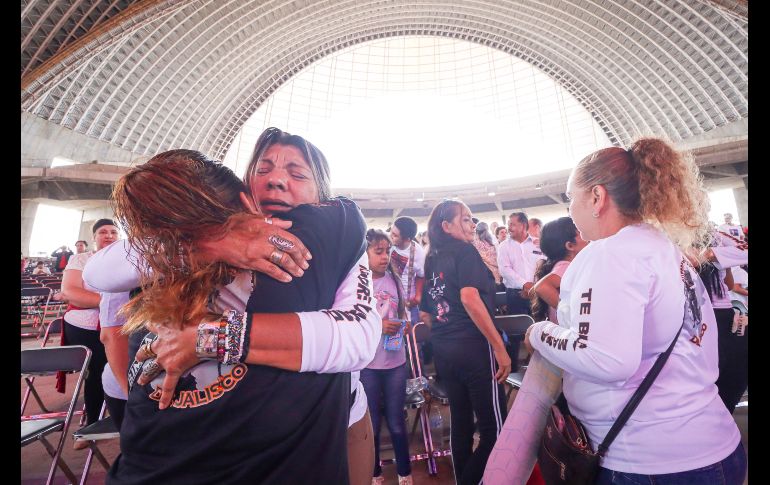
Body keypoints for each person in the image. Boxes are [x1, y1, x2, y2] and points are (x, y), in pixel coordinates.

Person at [93, 139, 378, 484]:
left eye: (297, 173)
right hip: (216, 437)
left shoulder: (335, 239)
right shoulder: (185, 238)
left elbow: (359, 338)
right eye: (264, 169)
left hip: (335, 416)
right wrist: (215, 243)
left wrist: (205, 339)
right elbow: (100, 272)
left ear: (322, 193)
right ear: (245, 190)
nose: (276, 180)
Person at [504, 139, 744, 484]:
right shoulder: (662, 247)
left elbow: (608, 360)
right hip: (710, 444)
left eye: (572, 197)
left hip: (649, 461)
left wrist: (539, 333)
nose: (571, 209)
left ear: (597, 197)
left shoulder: (610, 254)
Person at [419, 199, 511, 485]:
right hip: (473, 347)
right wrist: (499, 347)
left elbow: (426, 312)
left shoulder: (432, 258)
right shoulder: (464, 252)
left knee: (460, 423)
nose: (472, 224)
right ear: (446, 226)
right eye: (466, 219)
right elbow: (470, 298)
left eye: (472, 219)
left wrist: (447, 333)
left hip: (445, 350)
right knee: (494, 429)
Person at [58, 219, 119, 449]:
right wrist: (111, 303)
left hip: (121, 323)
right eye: (103, 232)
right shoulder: (81, 258)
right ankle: (92, 424)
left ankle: (129, 419)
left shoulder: (125, 258)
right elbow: (71, 291)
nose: (109, 235)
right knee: (98, 371)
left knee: (129, 368)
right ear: (94, 237)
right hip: (84, 326)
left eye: (114, 232)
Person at [361, 229, 413, 485]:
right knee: (371, 422)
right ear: (365, 253)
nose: (384, 256)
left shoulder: (395, 279)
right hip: (368, 364)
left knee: (396, 422)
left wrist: (404, 323)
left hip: (395, 361)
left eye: (387, 251)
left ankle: (405, 473)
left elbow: (403, 311)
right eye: (378, 251)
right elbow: (351, 322)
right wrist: (377, 326)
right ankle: (374, 473)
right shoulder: (358, 284)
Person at [530, 217, 588, 324]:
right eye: (581, 232)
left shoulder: (562, 265)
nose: (587, 236)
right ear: (570, 245)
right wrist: (571, 313)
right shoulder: (566, 267)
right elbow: (541, 287)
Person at [497, 212, 544, 315]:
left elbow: (546, 265)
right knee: (519, 328)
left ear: (523, 225)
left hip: (539, 292)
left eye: (512, 224)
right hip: (515, 294)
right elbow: (504, 269)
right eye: (508, 224)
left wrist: (535, 287)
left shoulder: (539, 243)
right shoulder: (504, 246)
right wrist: (525, 284)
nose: (509, 228)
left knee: (541, 327)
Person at [389, 216, 426, 326]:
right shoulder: (387, 244)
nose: (390, 236)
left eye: (395, 235)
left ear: (407, 239)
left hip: (407, 303)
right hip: (388, 298)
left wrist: (418, 296)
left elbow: (421, 275)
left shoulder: (417, 252)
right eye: (391, 232)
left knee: (409, 333)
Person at [472, 221, 502, 289]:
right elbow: (487, 257)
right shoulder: (476, 242)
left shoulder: (487, 241)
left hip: (491, 275)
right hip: (487, 275)